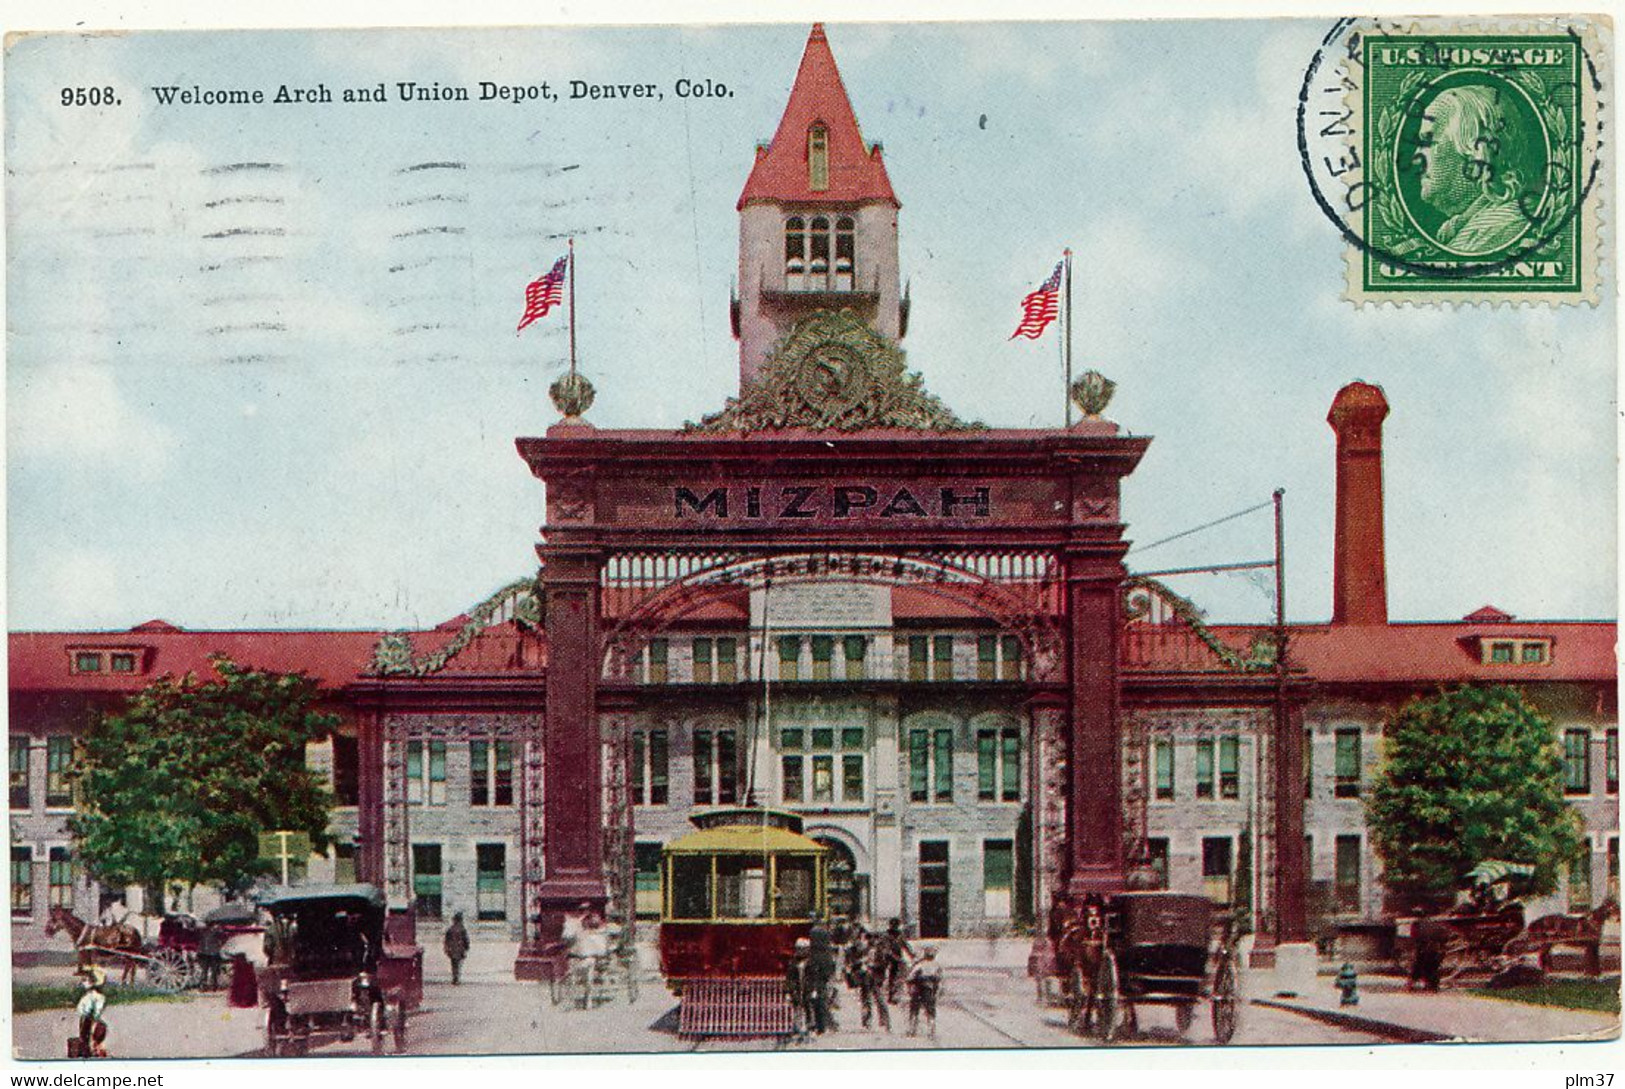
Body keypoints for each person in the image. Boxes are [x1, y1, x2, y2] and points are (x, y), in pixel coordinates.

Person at [1414, 84, 1535, 256]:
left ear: (1476, 151)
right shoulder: (1467, 227)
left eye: (1428, 141)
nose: (1416, 158)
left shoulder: (1502, 226)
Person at [905, 946, 943, 1038]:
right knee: (930, 1010)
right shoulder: (937, 966)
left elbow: (910, 977)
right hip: (930, 990)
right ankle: (931, 1031)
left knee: (914, 1009)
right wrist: (938, 992)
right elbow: (940, 980)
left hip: (918, 989)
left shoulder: (920, 964)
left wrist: (910, 984)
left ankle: (912, 1030)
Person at [807, 918, 837, 1032]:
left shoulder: (814, 951)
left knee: (818, 1001)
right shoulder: (825, 949)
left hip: (817, 977)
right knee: (822, 1000)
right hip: (822, 976)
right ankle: (823, 1025)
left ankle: (820, 1025)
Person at [74, 966, 108, 1058]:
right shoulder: (99, 997)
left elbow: (82, 1008)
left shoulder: (89, 995)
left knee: (85, 1034)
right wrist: (96, 1019)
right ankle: (94, 1049)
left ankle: (86, 1050)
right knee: (94, 1033)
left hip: (85, 1016)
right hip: (90, 1017)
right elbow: (97, 1011)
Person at [876, 917, 912, 1004]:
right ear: (890, 925)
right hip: (886, 958)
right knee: (882, 977)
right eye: (893, 925)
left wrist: (911, 954)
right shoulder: (885, 935)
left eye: (896, 925)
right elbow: (883, 948)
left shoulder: (900, 934)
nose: (895, 927)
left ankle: (892, 996)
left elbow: (905, 945)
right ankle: (879, 993)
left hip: (896, 958)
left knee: (894, 977)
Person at [784, 937, 814, 1041]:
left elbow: (814, 977)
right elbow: (789, 978)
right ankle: (797, 1029)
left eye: (803, 948)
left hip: (807, 989)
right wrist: (787, 992)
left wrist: (814, 990)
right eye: (799, 948)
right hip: (796, 990)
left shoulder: (811, 962)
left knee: (808, 1008)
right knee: (797, 1009)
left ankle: (808, 1029)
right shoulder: (793, 962)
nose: (801, 951)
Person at [1409, 913, 1447, 993]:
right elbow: (1443, 936)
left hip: (1423, 948)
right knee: (1431, 967)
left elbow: (1414, 936)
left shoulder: (1417, 924)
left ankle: (1412, 984)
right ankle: (1431, 984)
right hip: (1434, 949)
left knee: (1419, 965)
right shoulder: (1435, 924)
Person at [443, 912, 471, 985]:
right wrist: (467, 948)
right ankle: (457, 977)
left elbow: (446, 940)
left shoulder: (450, 929)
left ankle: (454, 977)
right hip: (460, 949)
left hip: (452, 949)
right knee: (458, 964)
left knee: (453, 964)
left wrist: (446, 948)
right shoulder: (462, 929)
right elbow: (466, 940)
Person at [197, 922, 224, 991]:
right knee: (211, 970)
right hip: (211, 953)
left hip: (207, 953)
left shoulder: (203, 931)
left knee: (206, 970)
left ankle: (206, 985)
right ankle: (211, 985)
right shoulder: (214, 931)